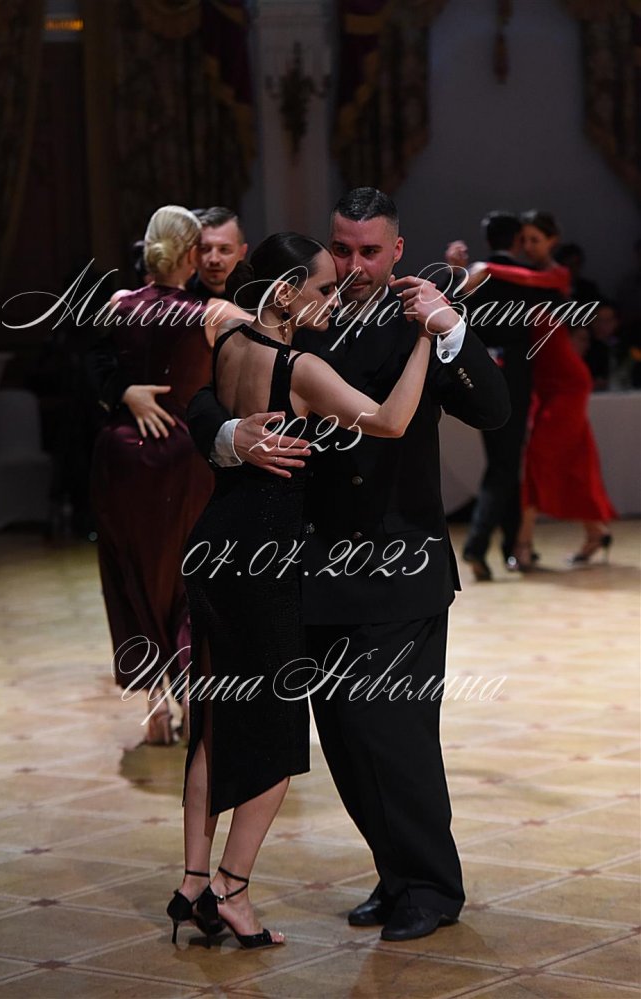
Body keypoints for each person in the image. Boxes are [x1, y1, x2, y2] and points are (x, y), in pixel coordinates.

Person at [187, 188, 510, 942]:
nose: (354, 264)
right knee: (343, 736)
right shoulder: (308, 308)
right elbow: (207, 395)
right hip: (306, 565)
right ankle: (395, 877)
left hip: (397, 566)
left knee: (393, 733)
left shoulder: (416, 319)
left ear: (397, 251)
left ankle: (430, 886)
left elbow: (493, 409)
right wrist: (232, 434)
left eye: (370, 251)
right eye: (342, 248)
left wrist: (450, 327)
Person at [168, 230, 439, 949]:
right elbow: (391, 420)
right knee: (277, 735)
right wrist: (425, 338)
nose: (332, 299)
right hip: (262, 562)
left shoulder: (231, 344)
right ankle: (232, 889)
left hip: (213, 546)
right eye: (321, 287)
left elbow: (202, 398)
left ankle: (192, 882)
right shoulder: (301, 367)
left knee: (216, 720)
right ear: (286, 293)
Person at [89, 206, 245, 744]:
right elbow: (276, 337)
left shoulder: (117, 303)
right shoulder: (214, 312)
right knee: (187, 576)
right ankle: (192, 693)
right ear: (190, 254)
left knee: (131, 574)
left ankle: (156, 703)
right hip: (182, 456)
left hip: (119, 457)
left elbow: (92, 363)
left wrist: (121, 393)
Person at [477, 211, 616, 567]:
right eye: (524, 239)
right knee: (574, 462)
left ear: (552, 241)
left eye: (535, 240)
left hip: (567, 382)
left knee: (538, 460)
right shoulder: (526, 278)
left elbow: (522, 275)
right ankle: (596, 533)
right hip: (546, 384)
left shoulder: (555, 275)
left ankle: (522, 546)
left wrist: (485, 268)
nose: (528, 246)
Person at [445, 212, 553, 581]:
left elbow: (452, 311)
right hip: (515, 381)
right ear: (518, 240)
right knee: (504, 466)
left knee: (506, 463)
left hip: (481, 379)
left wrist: (455, 273)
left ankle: (511, 546)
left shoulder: (475, 276)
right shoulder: (523, 277)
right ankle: (476, 546)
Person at [186, 205, 248, 298]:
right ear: (193, 253)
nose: (214, 259)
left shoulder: (260, 298)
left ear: (242, 253)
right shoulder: (177, 299)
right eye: (204, 249)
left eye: (224, 250)